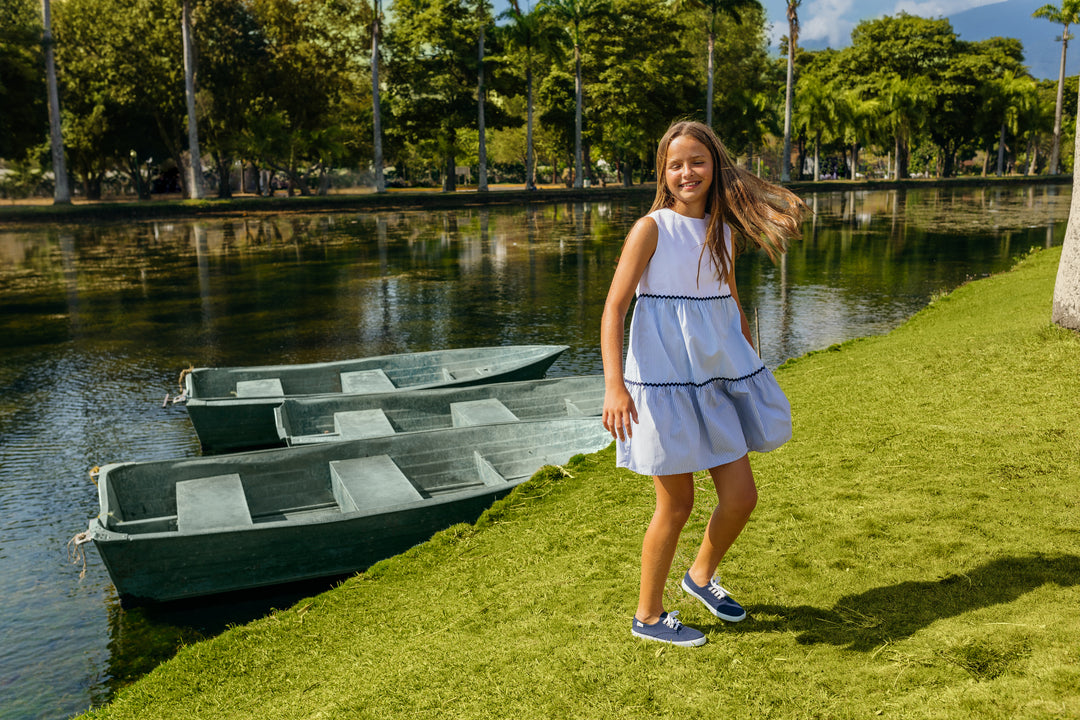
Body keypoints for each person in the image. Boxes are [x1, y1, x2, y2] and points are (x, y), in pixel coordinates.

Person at [601, 120, 806, 647]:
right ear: (663, 174)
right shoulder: (652, 228)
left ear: (715, 167)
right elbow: (614, 308)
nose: (686, 172)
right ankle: (647, 616)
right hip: (662, 386)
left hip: (716, 382)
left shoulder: (722, 231)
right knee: (676, 504)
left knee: (741, 496)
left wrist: (748, 362)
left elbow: (730, 302)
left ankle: (699, 578)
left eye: (696, 162)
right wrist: (614, 388)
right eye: (675, 165)